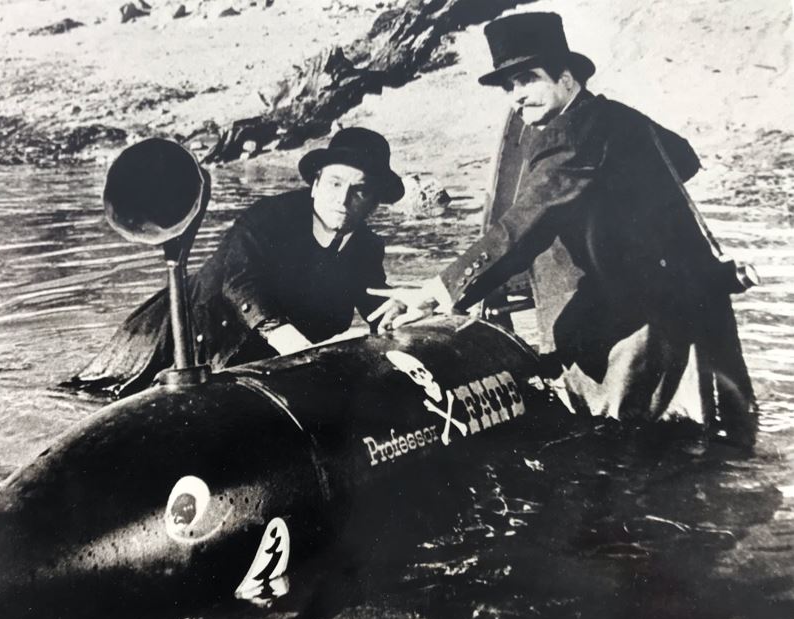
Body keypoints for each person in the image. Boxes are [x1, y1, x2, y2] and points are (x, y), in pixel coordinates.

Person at [370, 12, 756, 439]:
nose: (516, 97)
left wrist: (438, 292)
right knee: (683, 448)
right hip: (679, 312)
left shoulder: (569, 135)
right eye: (509, 86)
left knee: (615, 453)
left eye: (527, 80)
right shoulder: (617, 118)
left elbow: (525, 224)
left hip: (623, 332)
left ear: (567, 78)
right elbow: (684, 157)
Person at [70, 127, 405, 397]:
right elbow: (241, 285)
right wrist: (289, 339)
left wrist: (392, 311)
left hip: (253, 367)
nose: (343, 200)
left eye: (359, 191)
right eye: (334, 183)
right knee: (97, 398)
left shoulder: (366, 248)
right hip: (172, 343)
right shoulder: (267, 220)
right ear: (316, 185)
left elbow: (374, 300)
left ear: (374, 202)